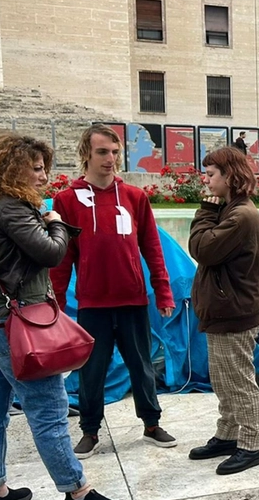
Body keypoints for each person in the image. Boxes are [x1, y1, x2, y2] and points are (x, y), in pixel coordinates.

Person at [0, 134, 126, 500]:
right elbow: (52, 253)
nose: (45, 176)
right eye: (37, 168)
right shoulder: (13, 209)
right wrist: (58, 224)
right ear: (13, 170)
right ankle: (77, 491)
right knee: (48, 406)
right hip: (6, 324)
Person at [50, 125, 176, 458]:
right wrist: (57, 307)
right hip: (93, 305)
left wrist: (162, 292)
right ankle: (90, 431)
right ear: (86, 154)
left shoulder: (135, 197)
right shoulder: (66, 200)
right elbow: (61, 259)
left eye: (115, 152)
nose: (111, 159)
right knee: (91, 370)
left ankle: (151, 423)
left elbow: (152, 248)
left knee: (142, 365)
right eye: (103, 152)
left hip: (133, 300)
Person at [187, 147, 259, 475]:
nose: (206, 181)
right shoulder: (231, 210)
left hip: (233, 313)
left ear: (230, 176)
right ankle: (228, 434)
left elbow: (201, 249)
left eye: (211, 175)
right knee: (223, 379)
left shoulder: (240, 216)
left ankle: (250, 445)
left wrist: (206, 209)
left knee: (238, 381)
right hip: (224, 310)